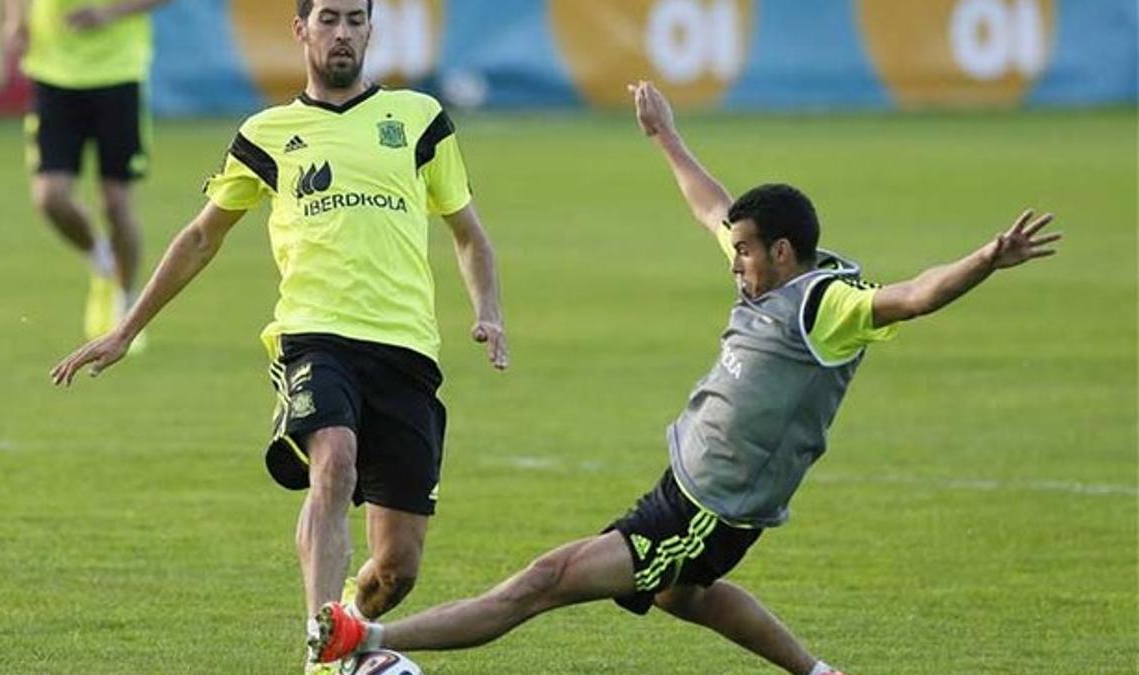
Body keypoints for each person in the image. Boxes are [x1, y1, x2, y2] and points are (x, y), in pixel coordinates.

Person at [307, 81, 1062, 674]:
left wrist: (985, 260)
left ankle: (366, 635)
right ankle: (816, 669)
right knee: (681, 594)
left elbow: (914, 294)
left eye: (744, 249)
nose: (732, 259)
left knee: (545, 580)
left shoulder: (826, 306)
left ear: (785, 253)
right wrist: (666, 135)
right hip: (687, 491)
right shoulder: (762, 280)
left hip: (707, 510)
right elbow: (709, 204)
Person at [49, 0, 508, 672]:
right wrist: (127, 327)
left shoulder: (418, 120)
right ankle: (321, 654)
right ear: (301, 31)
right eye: (328, 19)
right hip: (313, 336)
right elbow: (202, 235)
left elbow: (469, 234)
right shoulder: (267, 133)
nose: (342, 32)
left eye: (355, 19)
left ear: (372, 31)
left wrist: (489, 309)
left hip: (406, 348)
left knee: (397, 569)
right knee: (334, 460)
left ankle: (351, 620)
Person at [3, 0, 170, 343]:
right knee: (50, 198)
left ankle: (126, 308)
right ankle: (101, 259)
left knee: (116, 204)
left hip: (118, 73)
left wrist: (108, 13)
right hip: (53, 71)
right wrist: (15, 19)